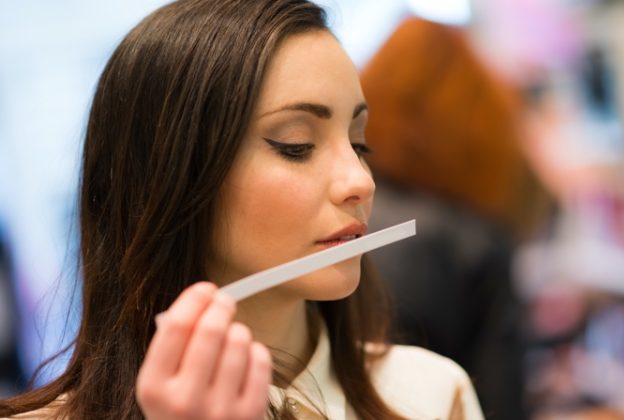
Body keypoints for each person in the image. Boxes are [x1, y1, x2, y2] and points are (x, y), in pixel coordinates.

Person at [0, 0, 483, 419]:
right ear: (170, 175)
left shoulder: (430, 395)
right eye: (295, 145)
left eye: (359, 144)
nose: (361, 182)